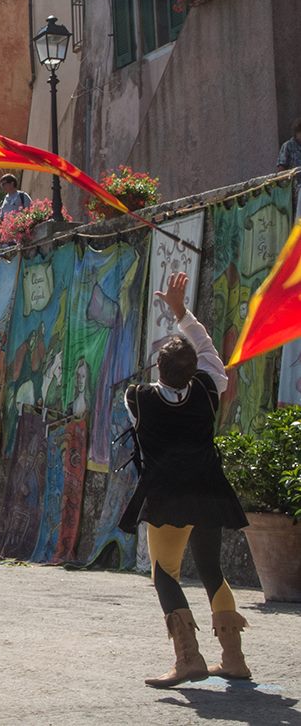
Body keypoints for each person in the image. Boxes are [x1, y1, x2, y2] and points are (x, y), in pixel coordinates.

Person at [119, 272, 251, 688]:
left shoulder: (137, 398)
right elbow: (210, 355)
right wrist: (182, 314)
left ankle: (189, 658)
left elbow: (154, 399)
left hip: (168, 494)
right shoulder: (209, 389)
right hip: (209, 489)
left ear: (159, 368)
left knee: (165, 574)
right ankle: (233, 658)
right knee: (212, 570)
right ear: (195, 371)